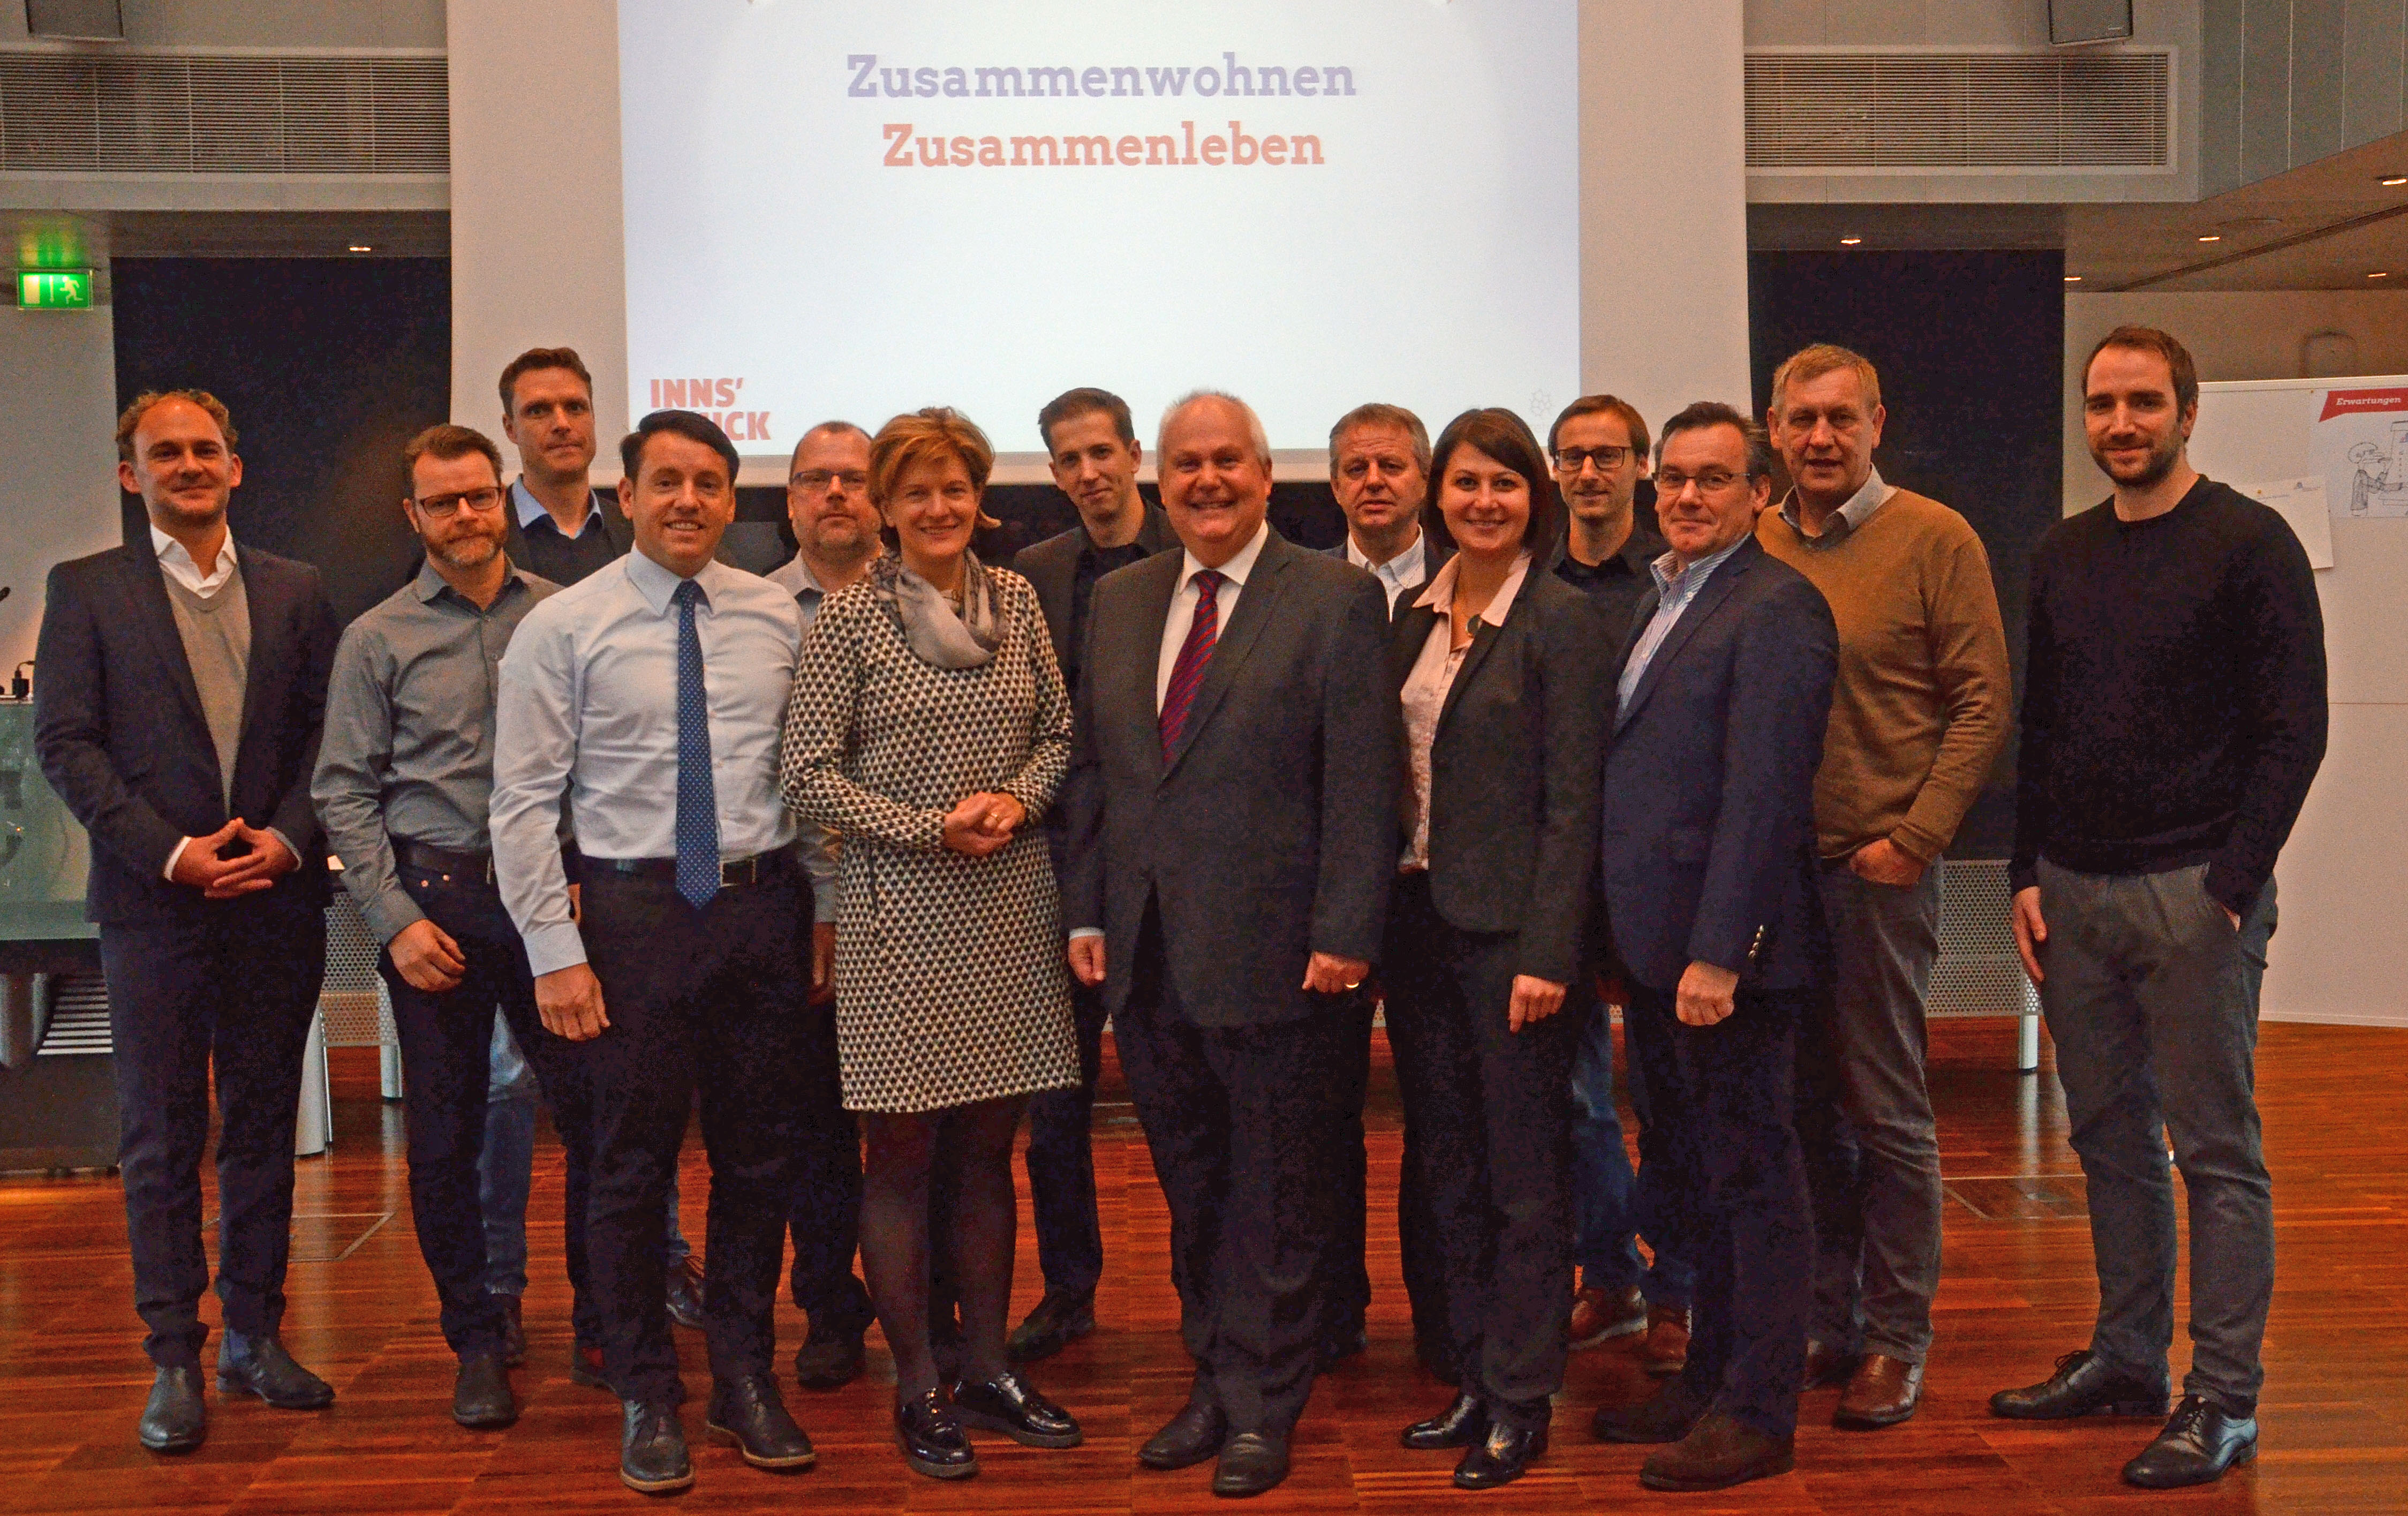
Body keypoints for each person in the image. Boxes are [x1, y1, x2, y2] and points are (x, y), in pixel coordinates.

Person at [1991, 326, 2327, 1490]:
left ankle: (2222, 1400)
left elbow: (2295, 728)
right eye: (2100, 405)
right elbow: (2039, 726)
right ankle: (2128, 1360)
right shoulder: (2060, 551)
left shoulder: (2249, 543)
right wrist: (2021, 871)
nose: (2118, 425)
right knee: (2105, 1140)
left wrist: (2231, 886)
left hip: (2194, 893)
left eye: (2141, 403)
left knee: (2214, 1152)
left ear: (2187, 412)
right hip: (2071, 893)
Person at [1064, 390, 1400, 1498]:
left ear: (1266, 477)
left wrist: (1347, 932)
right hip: (1147, 956)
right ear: (1159, 482)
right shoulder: (1118, 601)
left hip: (1282, 958)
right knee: (1193, 1183)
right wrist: (1086, 913)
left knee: (1276, 1190)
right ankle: (1211, 1374)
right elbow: (1100, 779)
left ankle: (1265, 1403)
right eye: (1185, 464)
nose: (1205, 481)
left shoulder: (1333, 598)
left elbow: (1365, 784)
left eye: (1227, 462)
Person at [491, 410, 817, 1494]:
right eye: (666, 481)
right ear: (626, 495)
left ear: (734, 500)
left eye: (710, 483)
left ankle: (742, 1376)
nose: (688, 500)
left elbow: (807, 779)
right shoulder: (564, 626)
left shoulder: (778, 618)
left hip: (759, 912)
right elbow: (524, 800)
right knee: (627, 1167)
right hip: (627, 922)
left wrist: (819, 920)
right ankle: (644, 1389)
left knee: (759, 1156)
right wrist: (552, 950)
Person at [781, 408, 1086, 1481]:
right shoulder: (848, 621)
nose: (937, 508)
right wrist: (927, 825)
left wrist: (1016, 796)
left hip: (1008, 903)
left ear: (977, 495)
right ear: (879, 505)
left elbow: (1058, 732)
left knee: (989, 1154)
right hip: (896, 916)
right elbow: (806, 775)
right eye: (913, 492)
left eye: (953, 488)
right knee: (903, 1157)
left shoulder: (1016, 600)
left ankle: (990, 1369)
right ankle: (918, 1386)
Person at [34, 389, 341, 1453]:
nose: (188, 465)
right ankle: (173, 1355)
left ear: (237, 466)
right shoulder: (84, 591)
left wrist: (287, 839)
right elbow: (66, 745)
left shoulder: (298, 591)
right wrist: (172, 853)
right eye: (164, 453)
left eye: (206, 448)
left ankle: (253, 1337)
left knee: (261, 1130)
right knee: (161, 1137)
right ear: (132, 475)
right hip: (153, 904)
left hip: (274, 898)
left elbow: (325, 743)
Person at [312, 423, 591, 1430]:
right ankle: (476, 1335)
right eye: (444, 503)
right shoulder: (376, 638)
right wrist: (393, 923)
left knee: (599, 1120)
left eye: (480, 496)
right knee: (443, 1136)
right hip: (439, 908)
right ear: (414, 516)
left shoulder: (567, 617)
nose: (466, 516)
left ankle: (602, 1317)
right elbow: (342, 795)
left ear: (504, 496)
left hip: (557, 903)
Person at [1756, 345, 2012, 1430]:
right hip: (1773, 879)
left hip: (1874, 876)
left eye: (1839, 420)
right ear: (1772, 429)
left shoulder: (1932, 537)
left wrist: (1913, 840)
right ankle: (1827, 1316)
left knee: (1888, 1112)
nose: (1819, 438)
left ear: (1875, 424)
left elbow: (1981, 704)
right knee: (1802, 1108)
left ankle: (1897, 1336)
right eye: (1800, 419)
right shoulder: (1754, 537)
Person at [1587, 402, 1836, 1494]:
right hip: (1654, 953)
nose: (1686, 497)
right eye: (1673, 480)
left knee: (1755, 1184)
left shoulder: (1777, 606)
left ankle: (1758, 1412)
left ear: (1758, 495)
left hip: (1722, 962)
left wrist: (1719, 952)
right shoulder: (1665, 596)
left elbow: (1762, 798)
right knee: (1696, 1176)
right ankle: (1705, 1383)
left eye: (1713, 481)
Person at [1383, 409, 1610, 1489]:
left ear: (1536, 499)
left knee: (1525, 1175)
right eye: (1465, 484)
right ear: (1438, 495)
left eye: (1504, 485)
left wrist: (1550, 951)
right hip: (1418, 933)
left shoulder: (1560, 623)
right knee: (1450, 1166)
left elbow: (1575, 805)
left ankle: (1522, 1395)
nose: (1482, 502)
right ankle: (1473, 1375)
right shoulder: (1408, 620)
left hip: (1514, 945)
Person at [486, 345, 706, 1356]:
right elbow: (522, 782)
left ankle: (655, 1281)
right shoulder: (517, 578)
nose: (561, 423)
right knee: (581, 1125)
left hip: (680, 894)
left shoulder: (676, 561)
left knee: (663, 1128)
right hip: (568, 893)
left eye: (576, 406)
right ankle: (563, 1313)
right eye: (540, 410)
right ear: (513, 429)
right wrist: (553, 918)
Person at [998, 387, 1179, 1366]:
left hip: (1167, 871)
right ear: (1054, 472)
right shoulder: (1033, 573)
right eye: (1069, 460)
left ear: (1135, 453)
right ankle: (1069, 1289)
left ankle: (1209, 1287)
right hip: (1058, 870)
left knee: (1177, 1101)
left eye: (1103, 453)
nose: (1090, 473)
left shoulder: (1186, 555)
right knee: (1054, 1110)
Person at [1545, 394, 1692, 1374]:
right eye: (1572, 457)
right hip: (1559, 881)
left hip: (1656, 881)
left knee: (1670, 1102)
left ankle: (1678, 1289)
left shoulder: (1673, 582)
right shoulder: (1527, 583)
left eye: (1608, 456)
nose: (1589, 473)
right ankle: (1608, 1276)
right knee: (1572, 1100)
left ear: (1641, 467)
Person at [1318, 401, 1451, 1374]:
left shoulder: (1469, 585)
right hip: (1322, 897)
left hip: (1431, 895)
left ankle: (1442, 1323)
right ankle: (1332, 1315)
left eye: (1392, 466)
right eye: (1355, 467)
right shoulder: (1303, 591)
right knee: (1319, 1117)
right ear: (1332, 485)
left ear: (1424, 482)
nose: (1374, 480)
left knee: (1439, 1120)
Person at [767, 420, 882, 1392]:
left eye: (855, 478)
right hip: (788, 912)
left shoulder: (936, 598)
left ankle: (931, 1313)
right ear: (790, 499)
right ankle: (830, 1309)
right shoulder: (748, 612)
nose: (836, 493)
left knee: (915, 1129)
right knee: (807, 1128)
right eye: (817, 479)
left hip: (919, 904)